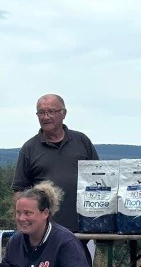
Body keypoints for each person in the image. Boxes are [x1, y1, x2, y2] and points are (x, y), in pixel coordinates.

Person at [11, 94, 99, 235]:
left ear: (63, 113)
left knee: (80, 258)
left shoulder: (82, 141)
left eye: (51, 111)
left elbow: (99, 179)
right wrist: (22, 223)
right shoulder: (29, 148)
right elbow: (19, 190)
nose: (45, 117)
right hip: (44, 231)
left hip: (82, 229)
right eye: (41, 112)